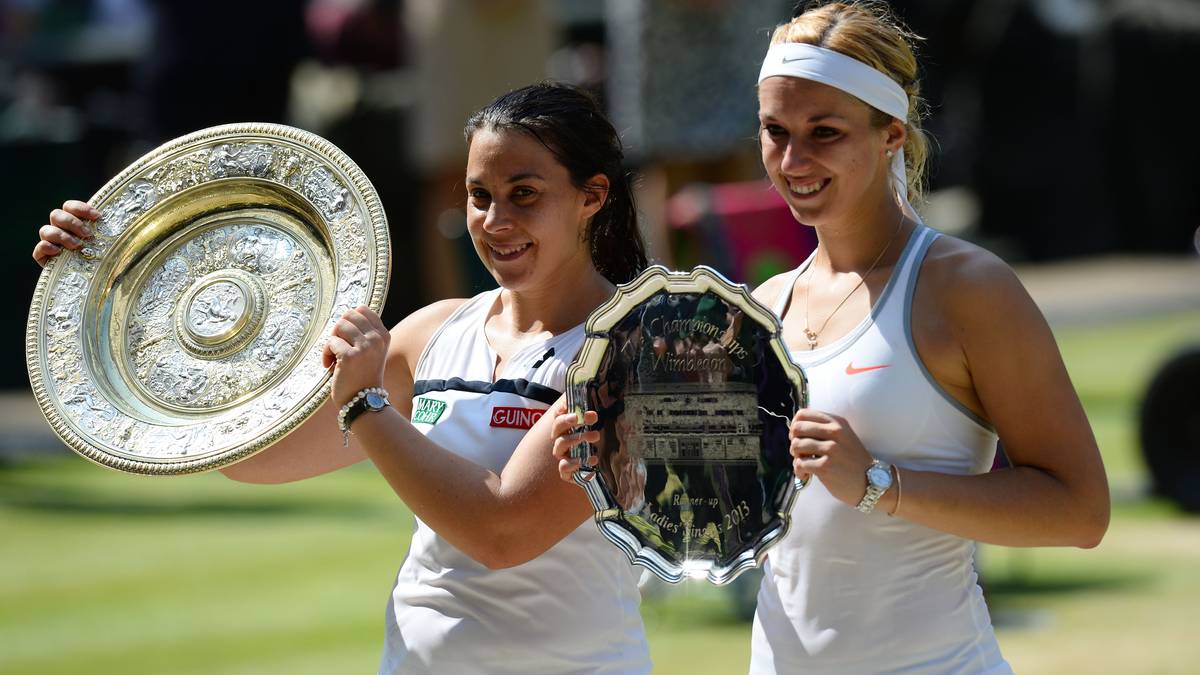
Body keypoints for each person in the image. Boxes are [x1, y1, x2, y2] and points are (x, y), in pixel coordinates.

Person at [557, 2, 1110, 673]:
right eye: (774, 131)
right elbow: (725, 517)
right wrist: (618, 463)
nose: (793, 159)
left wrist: (881, 481)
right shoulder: (760, 307)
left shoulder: (968, 288)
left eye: (824, 132)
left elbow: (1080, 509)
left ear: (891, 135)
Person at [34, 83, 651, 675]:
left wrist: (365, 407)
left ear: (592, 195)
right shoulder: (429, 333)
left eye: (524, 193)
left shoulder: (631, 354)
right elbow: (252, 456)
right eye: (478, 194)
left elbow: (502, 530)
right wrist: (105, 273)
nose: (494, 221)